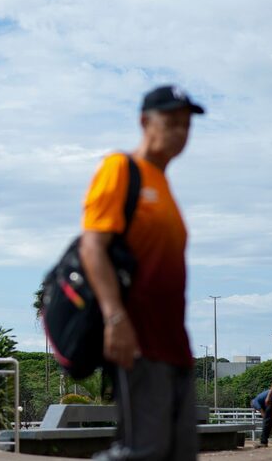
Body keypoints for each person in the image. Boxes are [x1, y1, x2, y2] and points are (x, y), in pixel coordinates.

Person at [80, 85, 204, 460]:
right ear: (145, 122)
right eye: (171, 122)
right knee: (143, 452)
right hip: (138, 340)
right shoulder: (121, 169)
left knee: (180, 452)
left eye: (186, 124)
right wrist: (114, 318)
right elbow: (92, 246)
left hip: (174, 344)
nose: (180, 132)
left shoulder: (163, 185)